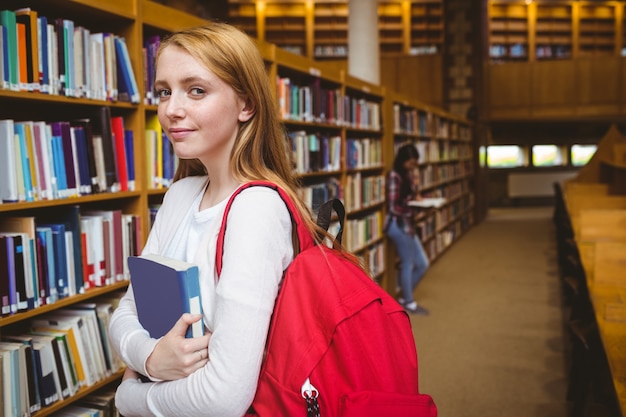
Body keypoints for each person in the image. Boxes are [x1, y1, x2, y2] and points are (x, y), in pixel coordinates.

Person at [108, 22, 335, 417]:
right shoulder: (180, 195)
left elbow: (224, 399)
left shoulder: (257, 209)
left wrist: (130, 398)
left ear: (246, 105)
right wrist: (149, 357)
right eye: (164, 91)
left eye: (196, 90)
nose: (171, 109)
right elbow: (125, 312)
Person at [383, 143, 430, 315]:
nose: (412, 167)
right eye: (410, 163)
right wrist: (415, 209)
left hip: (407, 224)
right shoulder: (394, 176)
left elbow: (409, 197)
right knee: (408, 264)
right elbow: (394, 207)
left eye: (414, 163)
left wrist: (419, 199)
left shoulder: (408, 175)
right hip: (397, 224)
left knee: (423, 264)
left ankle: (404, 297)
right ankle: (408, 302)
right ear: (403, 160)